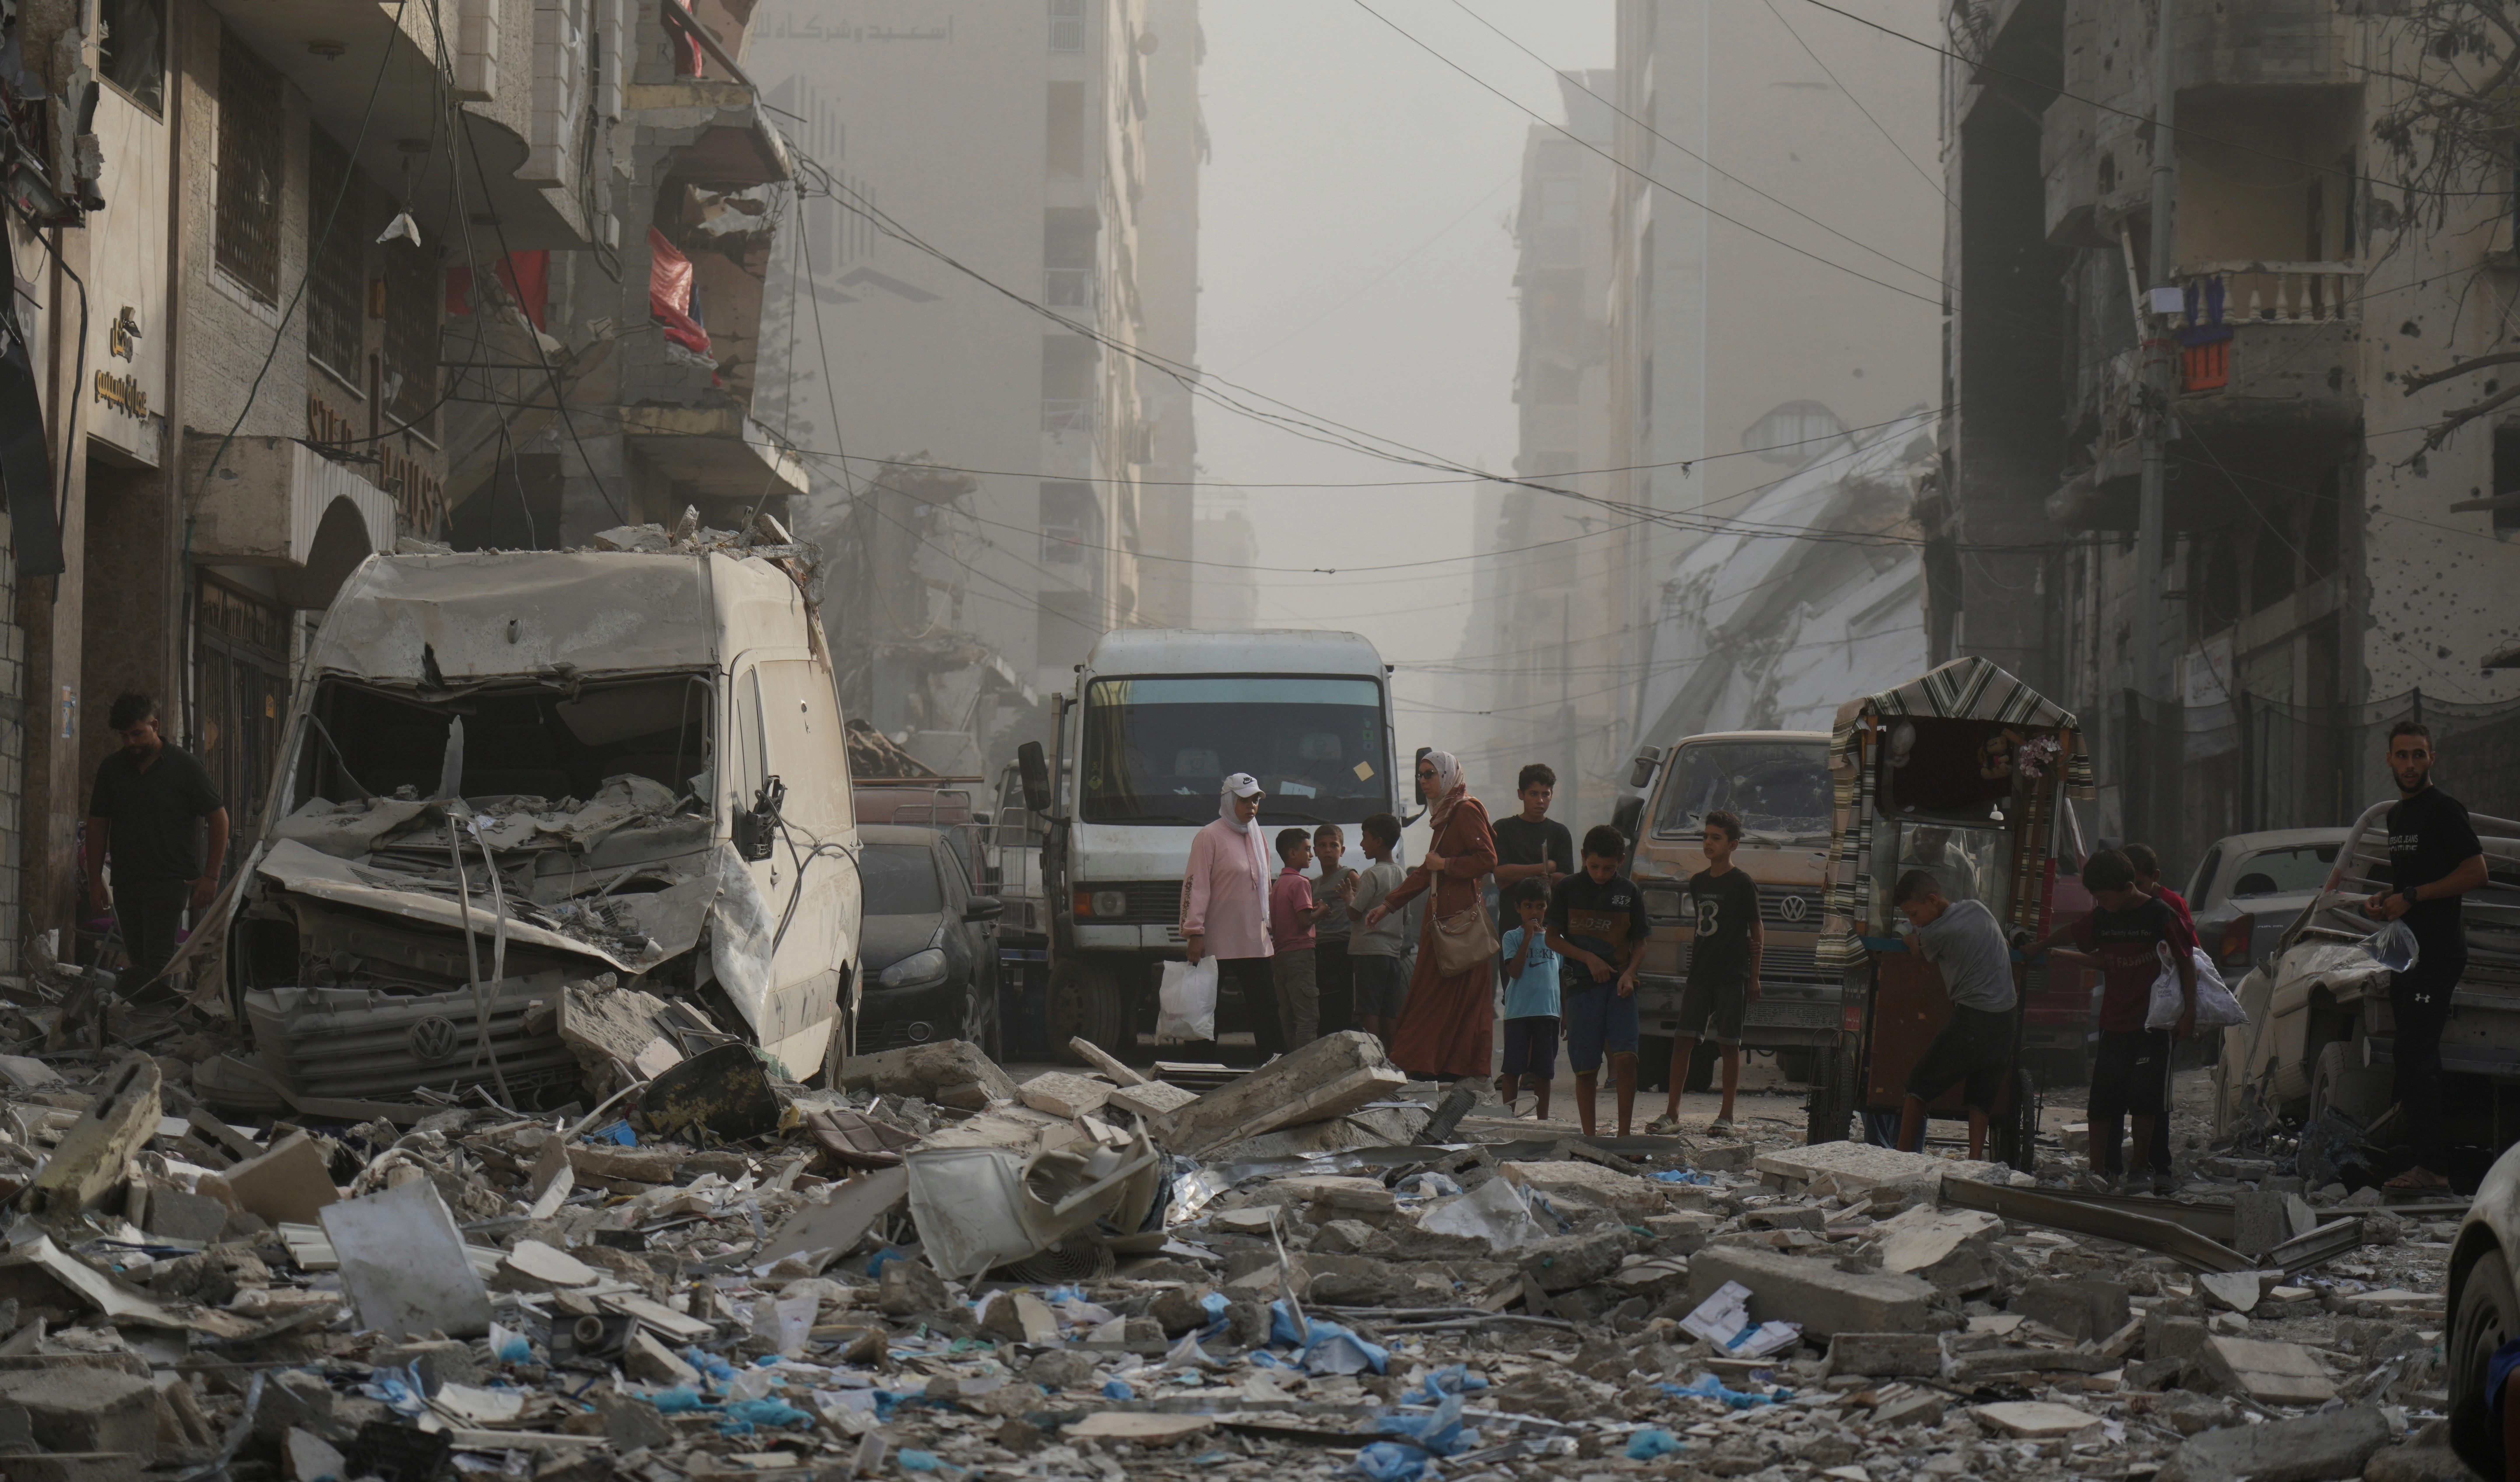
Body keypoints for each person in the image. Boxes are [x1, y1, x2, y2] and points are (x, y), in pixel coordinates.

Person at [2361, 721, 2486, 1191]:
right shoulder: (2397, 816)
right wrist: (2385, 900)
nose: (2411, 764)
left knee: (2418, 1054)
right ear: (2390, 761)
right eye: (2402, 756)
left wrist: (2413, 895)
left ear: (2432, 758)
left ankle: (2434, 1168)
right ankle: (2421, 1159)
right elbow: (2411, 882)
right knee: (2409, 1055)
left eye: (2419, 755)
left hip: (2438, 952)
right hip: (2405, 951)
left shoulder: (2444, 810)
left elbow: (2476, 872)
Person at [2027, 847, 2196, 1191]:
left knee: (2147, 1102)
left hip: (2154, 1023)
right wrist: (2041, 947)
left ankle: (2140, 1168)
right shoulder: (2104, 916)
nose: (2100, 903)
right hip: (2113, 1023)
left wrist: (2190, 1014)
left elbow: (2187, 963)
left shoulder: (2160, 915)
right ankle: (2100, 1170)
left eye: (2104, 897)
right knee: (2103, 1100)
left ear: (2127, 886)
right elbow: (2073, 933)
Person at [1363, 751, 1498, 1081]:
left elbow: (1487, 859)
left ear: (1447, 775)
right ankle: (1434, 1067)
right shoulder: (1446, 815)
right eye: (1420, 776)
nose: (1423, 782)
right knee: (1431, 996)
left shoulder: (1465, 810)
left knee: (1450, 999)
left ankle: (1440, 1066)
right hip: (1444, 922)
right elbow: (1427, 871)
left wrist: (1447, 866)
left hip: (1460, 925)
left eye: (1430, 775)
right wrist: (1389, 905)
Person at [86, 693, 228, 997]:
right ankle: (149, 1024)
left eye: (137, 733)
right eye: (124, 736)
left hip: (170, 879)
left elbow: (219, 818)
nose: (130, 743)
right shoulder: (112, 769)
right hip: (126, 880)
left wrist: (212, 876)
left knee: (158, 962)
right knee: (138, 961)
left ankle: (154, 1026)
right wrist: (94, 879)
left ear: (155, 725)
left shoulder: (185, 767)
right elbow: (98, 823)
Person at [1891, 869, 2018, 1160]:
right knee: (1981, 1096)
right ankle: (1974, 1160)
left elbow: (1916, 949)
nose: (1913, 921)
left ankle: (1898, 1157)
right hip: (2007, 1018)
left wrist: (1910, 938)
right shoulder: (1977, 907)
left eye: (1914, 914)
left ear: (1933, 901)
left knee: (1918, 1087)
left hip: (1974, 1019)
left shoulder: (1936, 933)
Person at [1649, 810, 1762, 1136]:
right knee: (1683, 1040)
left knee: (1729, 1045)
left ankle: (1726, 1116)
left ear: (1733, 844)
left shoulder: (1742, 883)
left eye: (1717, 838)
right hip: (1700, 973)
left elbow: (1757, 929)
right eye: (1706, 836)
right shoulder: (1698, 882)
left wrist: (1754, 976)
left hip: (1732, 975)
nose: (1709, 843)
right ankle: (1672, 1113)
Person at [1547, 824, 1650, 1137]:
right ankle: (1589, 1136)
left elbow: (1641, 943)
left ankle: (1624, 1135)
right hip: (1581, 988)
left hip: (1620, 989)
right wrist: (1587, 958)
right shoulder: (1568, 889)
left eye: (1608, 868)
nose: (1601, 874)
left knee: (1626, 1059)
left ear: (1620, 860)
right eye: (1594, 867)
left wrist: (1630, 974)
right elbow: (1552, 938)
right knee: (1586, 1066)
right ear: (1583, 858)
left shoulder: (1629, 892)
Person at [1182, 772, 1283, 1059]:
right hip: (1216, 941)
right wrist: (1195, 933)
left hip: (1255, 939)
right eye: (1245, 800)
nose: (1252, 806)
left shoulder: (1257, 836)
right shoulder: (1209, 836)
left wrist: (1271, 927)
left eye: (1255, 801)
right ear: (1229, 801)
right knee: (1206, 1007)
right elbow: (1195, 885)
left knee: (1266, 1005)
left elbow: (1266, 886)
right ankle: (1198, 1070)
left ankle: (1275, 1065)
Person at [2125, 842, 2192, 1178]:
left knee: (2155, 1096)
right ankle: (2125, 1162)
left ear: (2156, 878)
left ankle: (2159, 1164)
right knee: (2125, 1090)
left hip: (2163, 1015)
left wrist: (2188, 1013)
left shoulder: (2171, 905)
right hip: (2128, 1011)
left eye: (2139, 882)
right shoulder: (2119, 904)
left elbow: (2191, 959)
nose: (2133, 891)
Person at [1497, 878, 1560, 1119]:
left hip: (1549, 1013)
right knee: (1513, 1069)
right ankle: (1508, 1116)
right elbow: (1515, 971)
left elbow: (1561, 979)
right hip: (1519, 1013)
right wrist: (1527, 937)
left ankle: (1542, 1120)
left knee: (1544, 1072)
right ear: (1518, 909)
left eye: (1541, 906)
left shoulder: (1556, 940)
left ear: (1548, 908)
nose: (1534, 912)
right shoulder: (1512, 937)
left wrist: (1565, 1015)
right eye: (1528, 906)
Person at [1345, 812, 1410, 1044]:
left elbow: (1354, 913)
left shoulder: (1371, 874)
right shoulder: (1402, 875)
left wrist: (1347, 897)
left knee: (1369, 1009)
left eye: (1365, 838)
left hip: (1369, 953)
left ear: (1379, 841)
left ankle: (1375, 1061)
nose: (1362, 844)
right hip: (1393, 953)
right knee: (1389, 1010)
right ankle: (1395, 1059)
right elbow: (1404, 918)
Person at [1269, 827, 1331, 1047]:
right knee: (1308, 1016)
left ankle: (1289, 1062)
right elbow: (1304, 921)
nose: (1312, 855)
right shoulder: (1301, 883)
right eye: (1307, 850)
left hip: (1280, 955)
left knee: (1288, 1016)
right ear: (1292, 854)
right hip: (1300, 954)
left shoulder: (1278, 885)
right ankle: (1306, 1066)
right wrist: (1321, 913)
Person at [1491, 763, 1574, 895]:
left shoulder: (1560, 832)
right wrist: (1549, 866)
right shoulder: (1503, 828)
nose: (1540, 801)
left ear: (1552, 795)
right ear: (1521, 794)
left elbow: (1566, 879)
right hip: (1513, 911)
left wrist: (1517, 877)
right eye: (1534, 794)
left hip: (1549, 912)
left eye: (1545, 794)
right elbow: (1501, 873)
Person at [1311, 824, 1360, 1036]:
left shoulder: (1349, 875)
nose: (1328, 850)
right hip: (1319, 948)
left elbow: (1361, 908)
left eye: (1334, 845)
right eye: (1322, 846)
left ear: (1343, 850)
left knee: (1340, 1003)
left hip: (1342, 947)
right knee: (1323, 1004)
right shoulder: (1314, 884)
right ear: (1315, 851)